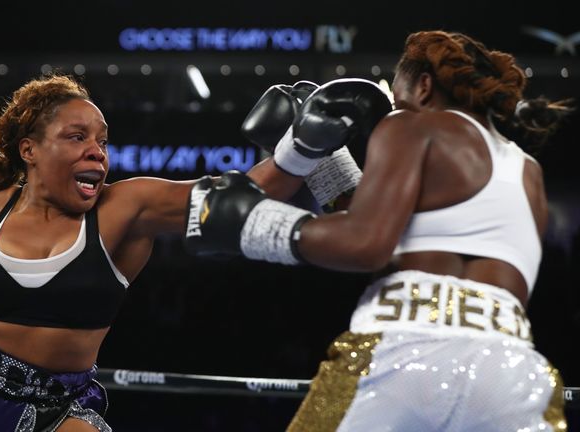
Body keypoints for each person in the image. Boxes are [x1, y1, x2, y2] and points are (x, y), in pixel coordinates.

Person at [0, 73, 376, 431]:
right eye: (77, 137)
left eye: (103, 140)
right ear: (30, 150)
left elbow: (234, 203)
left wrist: (300, 152)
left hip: (60, 411)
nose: (97, 151)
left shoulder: (124, 209)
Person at [185, 30, 572, 431]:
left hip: (403, 353)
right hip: (511, 371)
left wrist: (251, 222)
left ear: (423, 87)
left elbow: (366, 243)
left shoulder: (412, 126)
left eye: (398, 101)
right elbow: (406, 236)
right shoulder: (528, 172)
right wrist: (327, 164)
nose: (394, 114)